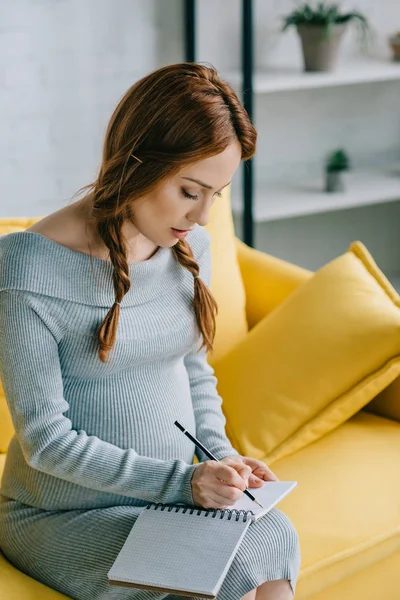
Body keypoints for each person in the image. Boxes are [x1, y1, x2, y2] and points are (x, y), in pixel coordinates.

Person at [0, 62, 301, 600]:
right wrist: (182, 483)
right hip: (59, 515)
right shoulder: (25, 270)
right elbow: (46, 442)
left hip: (168, 501)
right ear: (138, 163)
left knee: (275, 534)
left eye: (218, 194)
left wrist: (220, 458)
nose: (204, 216)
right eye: (190, 190)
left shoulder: (188, 249)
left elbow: (192, 368)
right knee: (218, 569)